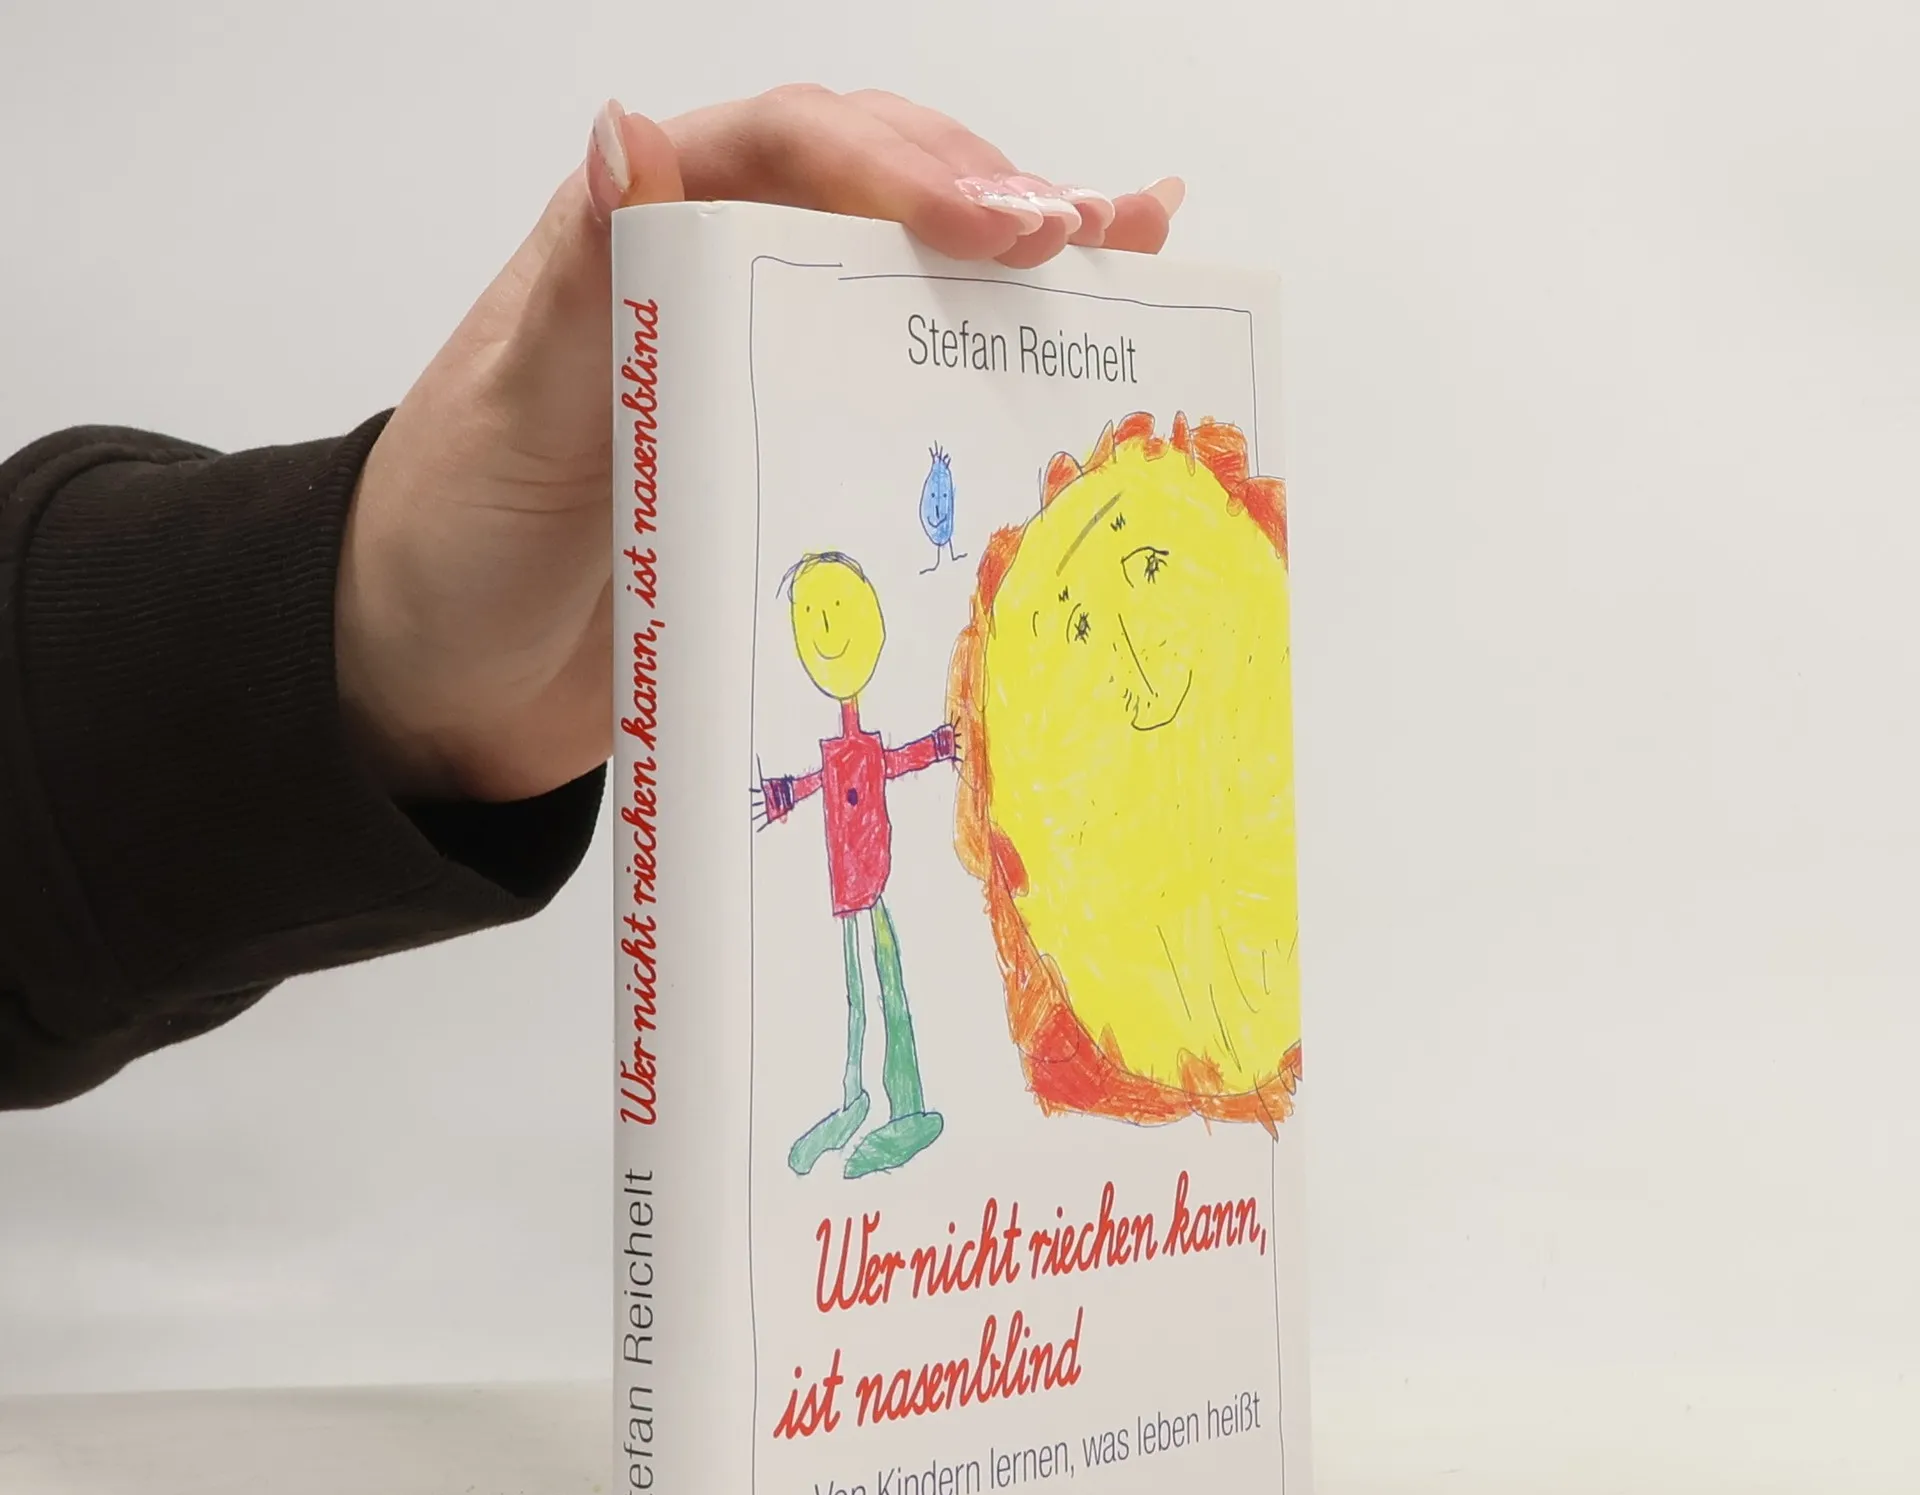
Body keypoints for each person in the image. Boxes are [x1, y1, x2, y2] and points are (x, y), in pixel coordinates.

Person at [0, 90, 1181, 1112]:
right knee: (863, 984)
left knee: (884, 980)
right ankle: (869, 1097)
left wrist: (363, 633)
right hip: (845, 880)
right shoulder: (836, 743)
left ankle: (897, 1095)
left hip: (861, 877)